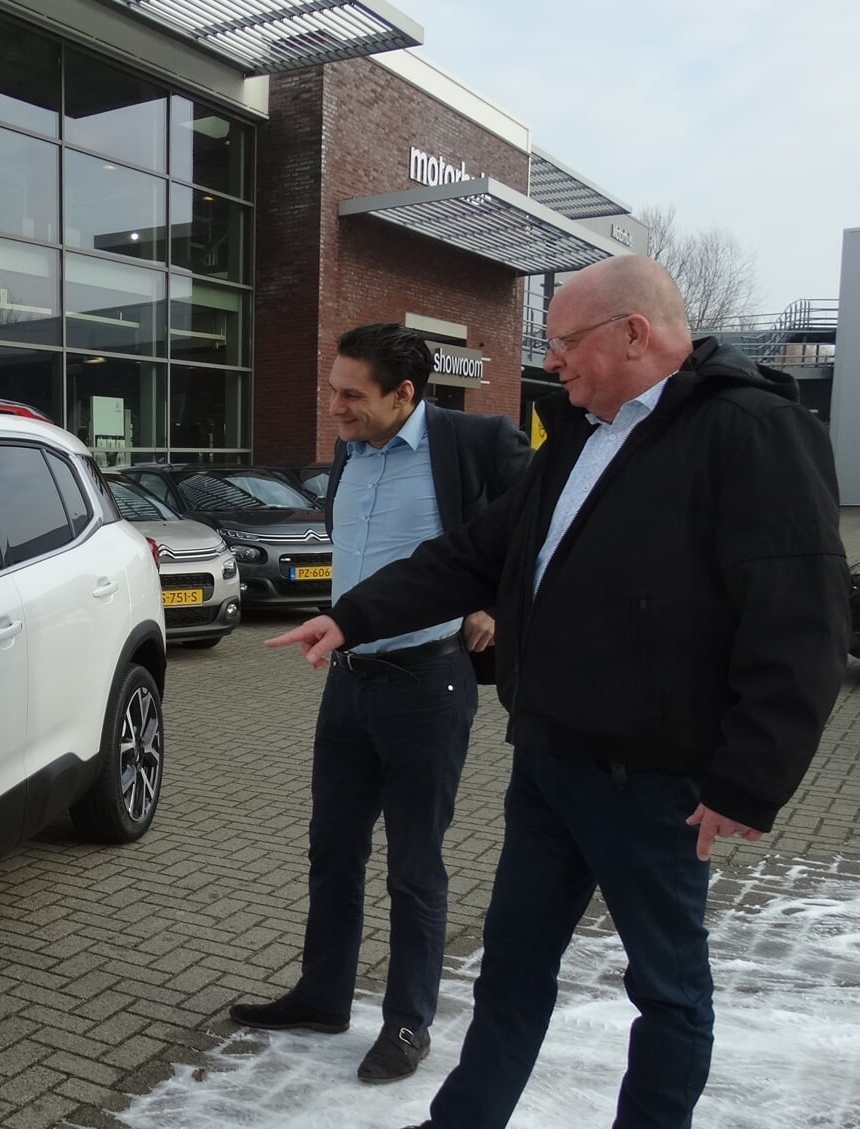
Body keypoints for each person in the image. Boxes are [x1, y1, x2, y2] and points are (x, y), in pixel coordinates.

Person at [269, 256, 849, 1129]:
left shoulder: (750, 431)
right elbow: (474, 553)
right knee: (510, 963)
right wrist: (351, 617)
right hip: (547, 758)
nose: (555, 360)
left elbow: (799, 615)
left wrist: (750, 778)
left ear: (633, 333)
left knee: (667, 990)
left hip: (656, 779)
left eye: (567, 342)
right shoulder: (576, 436)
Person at [227, 323, 530, 1084]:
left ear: (404, 394)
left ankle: (406, 1021)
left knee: (413, 864)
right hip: (348, 680)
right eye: (332, 390)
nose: (334, 407)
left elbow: (533, 530)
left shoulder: (475, 442)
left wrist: (495, 600)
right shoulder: (348, 453)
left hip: (429, 684)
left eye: (350, 394)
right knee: (332, 850)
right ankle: (322, 995)